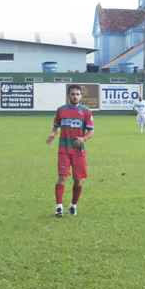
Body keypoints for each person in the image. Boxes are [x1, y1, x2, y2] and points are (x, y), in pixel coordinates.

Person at [46, 85, 94, 217]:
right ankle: (59, 207)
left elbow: (91, 131)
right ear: (68, 95)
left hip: (78, 151)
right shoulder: (61, 111)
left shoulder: (86, 111)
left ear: (81, 96)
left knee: (78, 180)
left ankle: (73, 206)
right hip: (64, 149)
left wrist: (84, 139)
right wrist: (53, 134)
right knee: (62, 177)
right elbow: (56, 126)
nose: (75, 96)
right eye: (73, 94)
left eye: (78, 94)